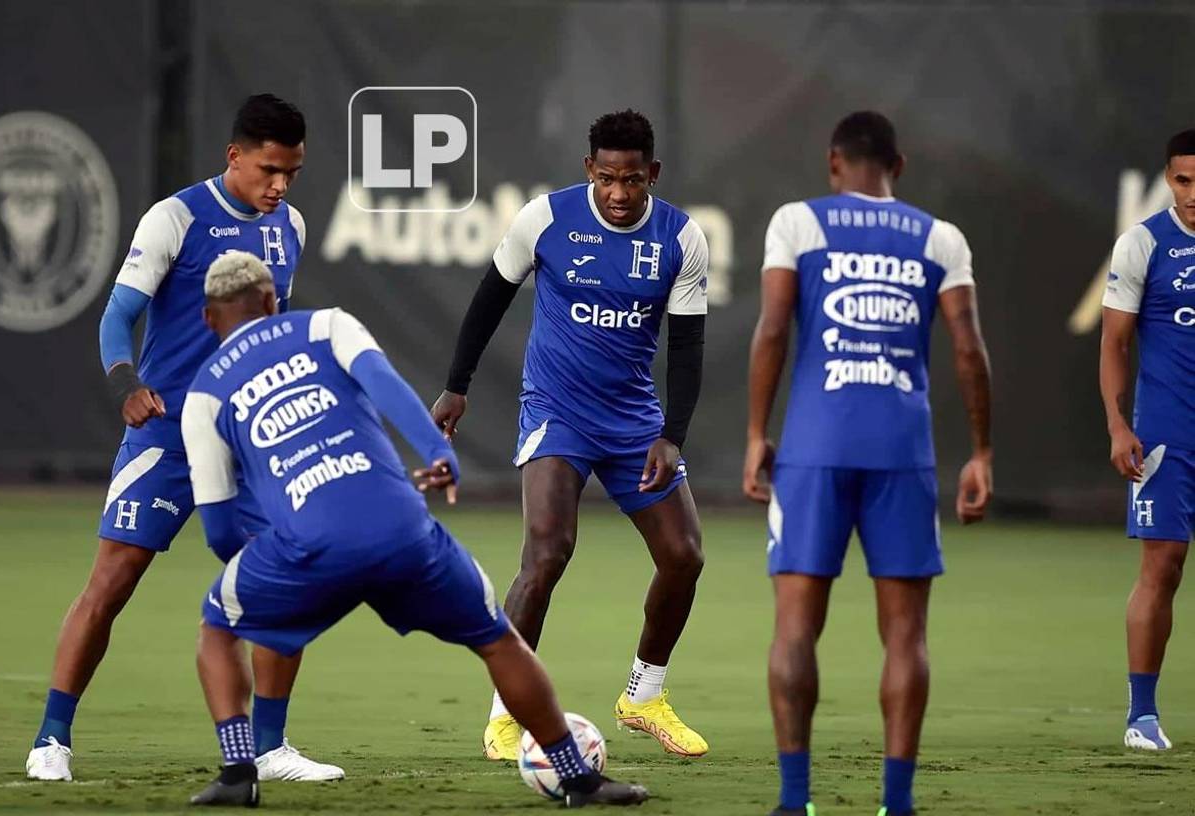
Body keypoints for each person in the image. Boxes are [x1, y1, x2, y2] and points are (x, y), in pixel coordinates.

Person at [180, 252, 649, 808]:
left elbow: (219, 530)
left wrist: (272, 572)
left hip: (307, 546)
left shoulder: (203, 397)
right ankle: (577, 777)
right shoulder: (327, 324)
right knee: (498, 639)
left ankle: (239, 770)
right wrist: (435, 452)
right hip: (401, 529)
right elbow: (386, 386)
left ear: (209, 319)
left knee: (217, 625)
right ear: (270, 299)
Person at [26, 94, 342, 783]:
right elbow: (117, 318)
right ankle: (52, 738)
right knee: (111, 581)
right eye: (268, 170)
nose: (280, 185)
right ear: (234, 157)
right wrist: (126, 387)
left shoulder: (290, 226)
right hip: (167, 435)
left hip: (254, 447)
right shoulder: (175, 218)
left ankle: (270, 746)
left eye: (291, 171)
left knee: (289, 582)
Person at [431, 109, 710, 761]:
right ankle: (507, 714)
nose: (619, 193)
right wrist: (456, 384)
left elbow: (690, 345)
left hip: (634, 421)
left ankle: (644, 697)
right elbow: (490, 297)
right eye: (608, 177)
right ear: (590, 169)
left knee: (685, 556)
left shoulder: (681, 238)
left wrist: (672, 436)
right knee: (547, 554)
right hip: (557, 412)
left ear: (653, 175)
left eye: (633, 180)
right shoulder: (546, 220)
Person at [744, 111, 993, 816]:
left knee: (794, 627)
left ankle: (796, 802)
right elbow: (969, 349)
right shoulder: (939, 237)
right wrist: (981, 450)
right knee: (906, 635)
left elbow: (771, 330)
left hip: (815, 448)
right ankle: (898, 803)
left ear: (833, 164)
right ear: (898, 166)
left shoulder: (798, 223)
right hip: (901, 452)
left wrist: (758, 433)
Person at [1100, 128, 1195, 752]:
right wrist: (1117, 425)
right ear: (1168, 178)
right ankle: (1142, 717)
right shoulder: (1143, 244)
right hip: (1167, 435)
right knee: (1162, 568)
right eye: (1184, 180)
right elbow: (1113, 343)